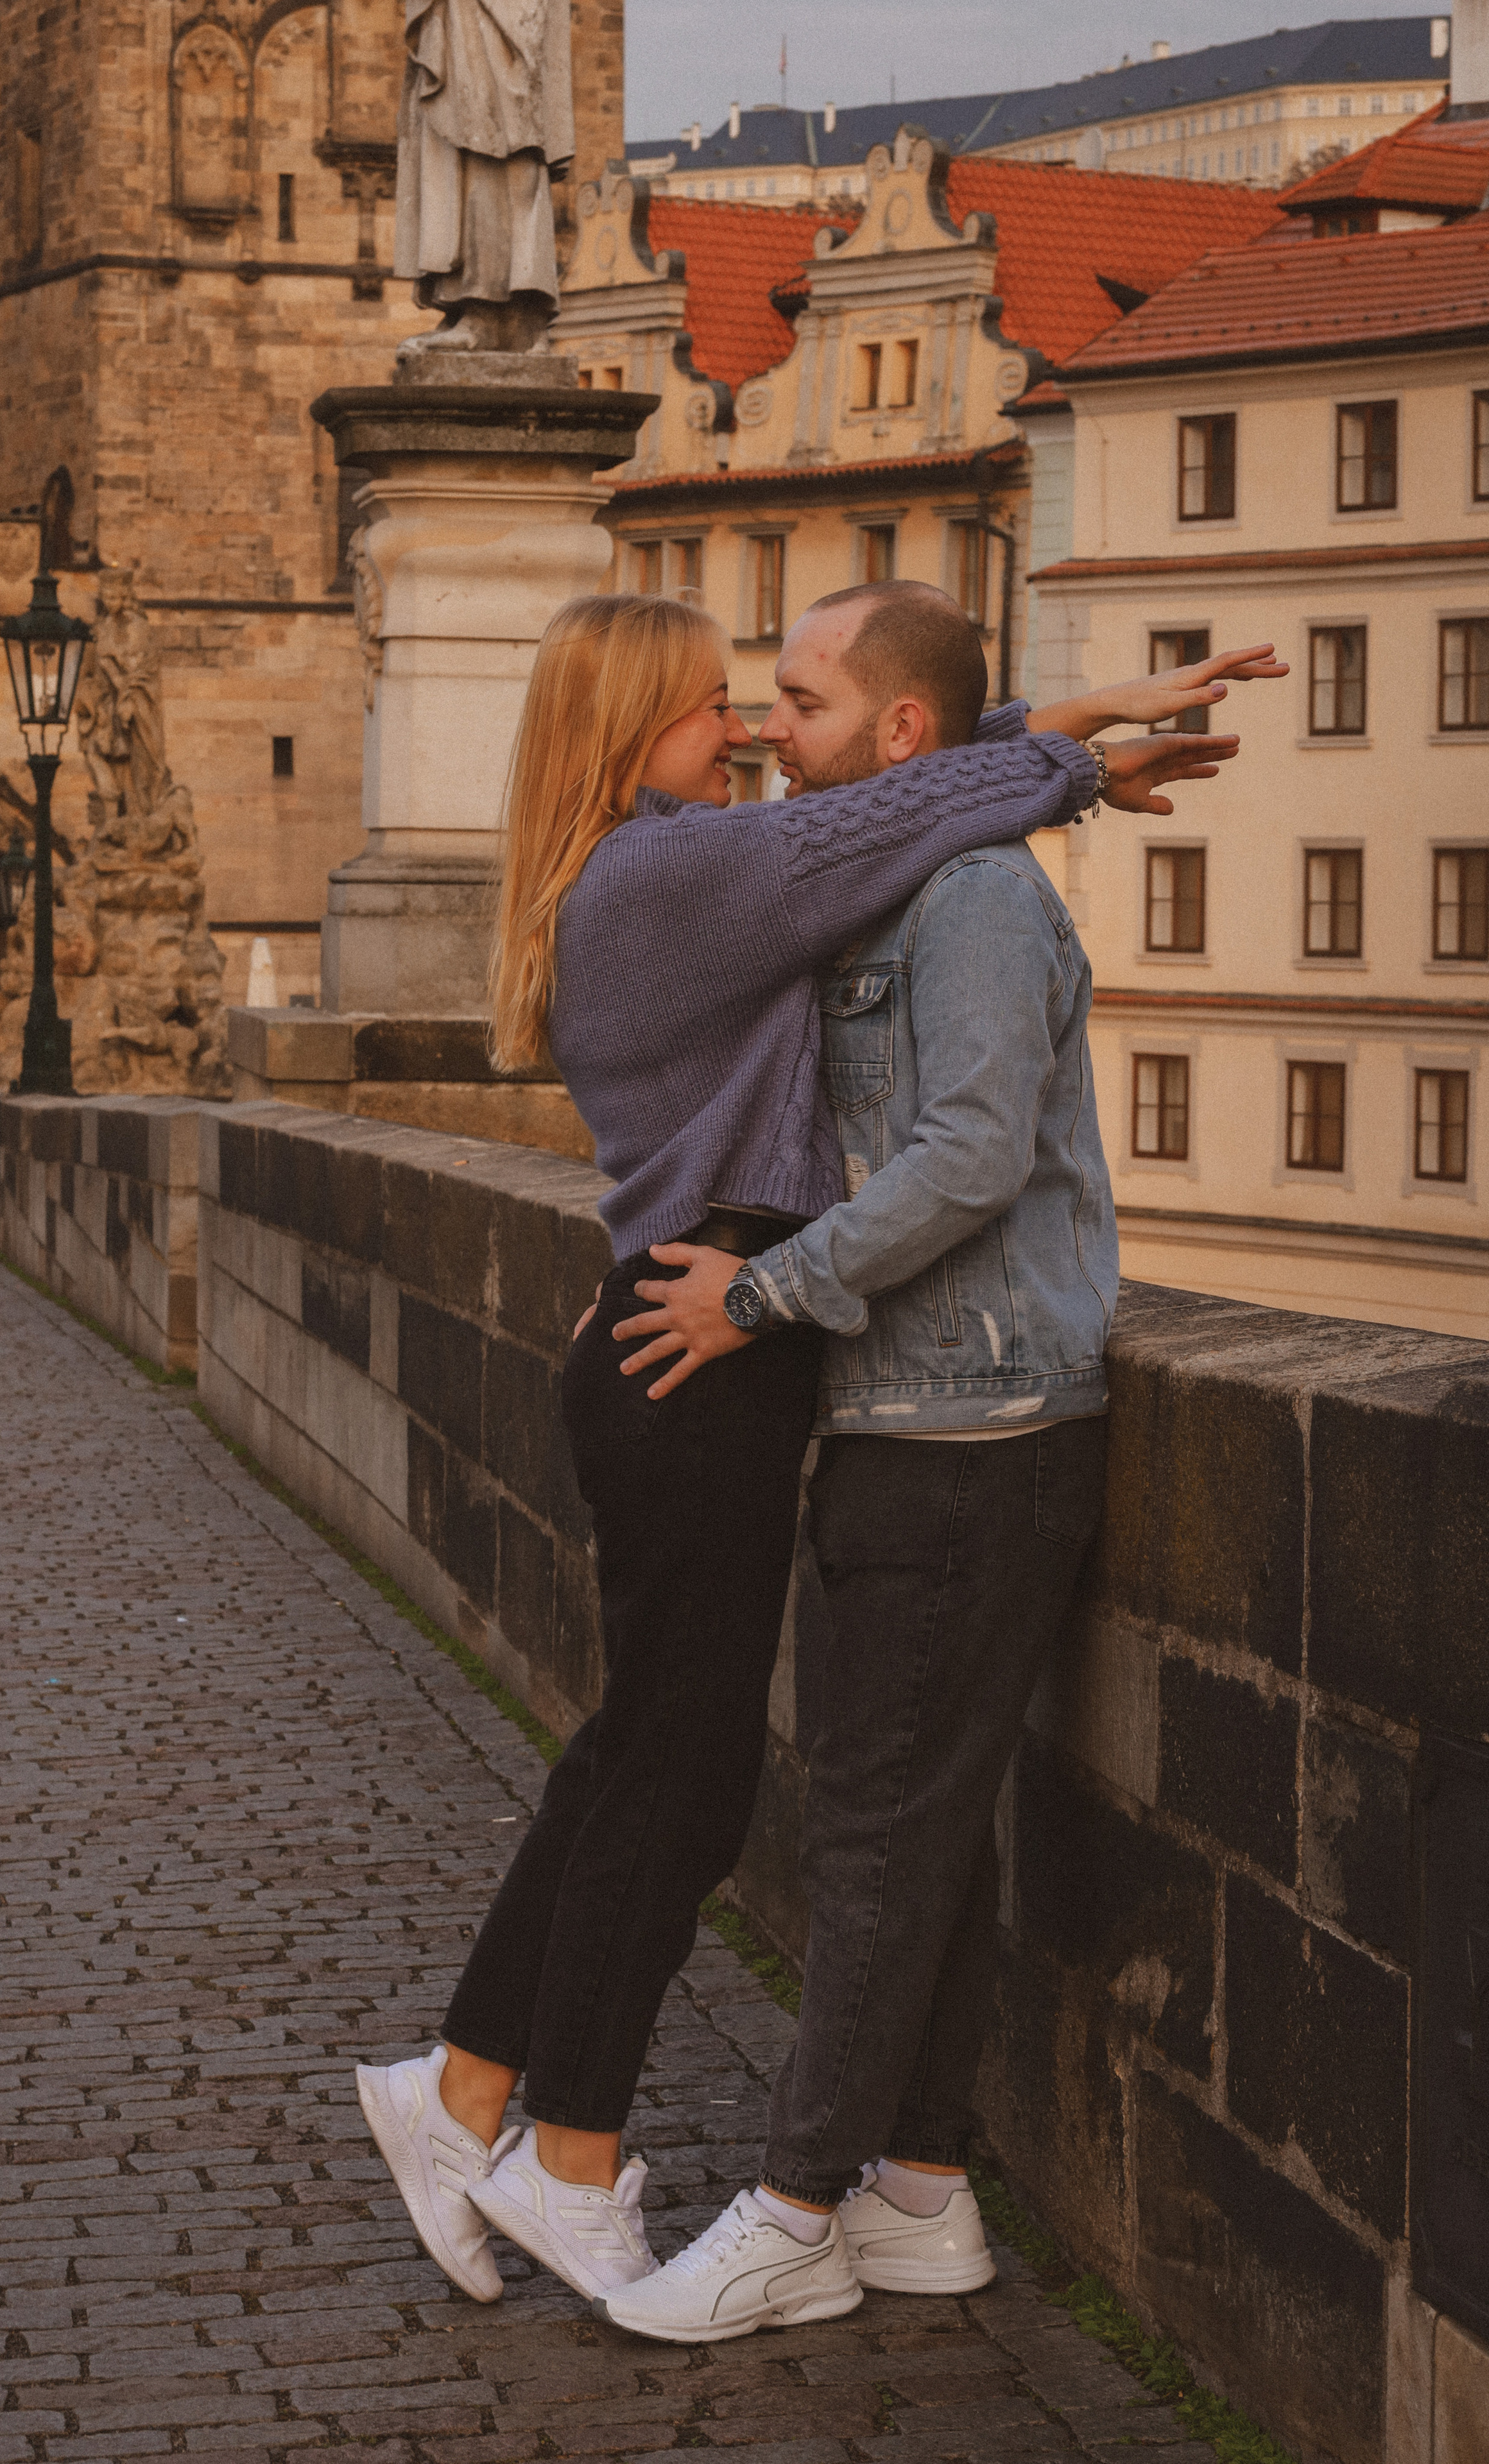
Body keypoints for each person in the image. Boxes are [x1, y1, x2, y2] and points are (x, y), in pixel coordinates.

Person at [352, 589, 1245, 2311]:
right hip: (709, 1341)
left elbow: (889, 779)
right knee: (683, 1782)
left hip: (691, 1335)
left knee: (639, 1755)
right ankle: (576, 2158)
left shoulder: (644, 863)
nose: (747, 731)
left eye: (763, 703)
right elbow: (887, 795)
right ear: (635, 735)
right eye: (713, 709)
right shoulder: (676, 874)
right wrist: (1066, 753)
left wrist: (1074, 723)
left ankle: (463, 2089)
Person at [590, 582, 1286, 2345]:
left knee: (875, 1837)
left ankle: (796, 2208)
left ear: (890, 731)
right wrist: (1074, 729)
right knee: (914, 1816)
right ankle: (921, 2188)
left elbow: (972, 1157)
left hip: (969, 1423)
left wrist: (763, 1294)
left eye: (804, 703)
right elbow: (938, 761)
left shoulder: (970, 899)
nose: (771, 735)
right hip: (916, 1412)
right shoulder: (907, 848)